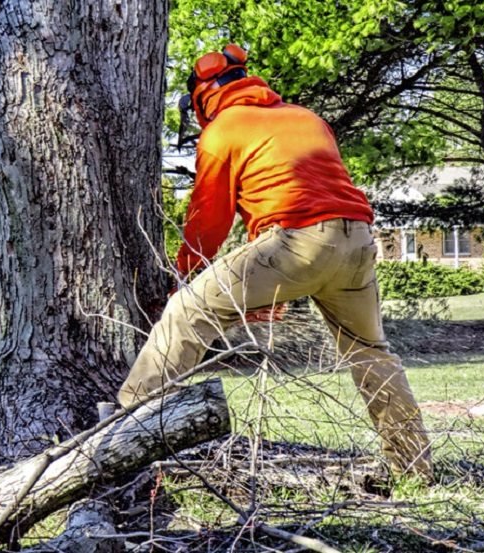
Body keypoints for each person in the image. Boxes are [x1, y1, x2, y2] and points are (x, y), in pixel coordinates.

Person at [117, 44, 432, 480]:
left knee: (186, 313)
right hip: (357, 241)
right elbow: (293, 192)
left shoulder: (224, 128)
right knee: (371, 353)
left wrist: (184, 274)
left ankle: (118, 433)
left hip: (297, 240)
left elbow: (209, 219)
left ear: (204, 97)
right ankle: (413, 464)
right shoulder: (307, 118)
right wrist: (265, 287)